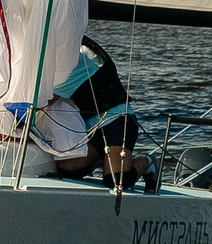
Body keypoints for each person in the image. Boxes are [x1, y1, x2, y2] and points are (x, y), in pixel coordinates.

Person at [46, 35, 152, 190]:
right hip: (91, 128)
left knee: (116, 180)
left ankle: (147, 162)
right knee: (68, 169)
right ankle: (103, 159)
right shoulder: (65, 57)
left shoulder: (81, 57)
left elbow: (47, 99)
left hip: (117, 122)